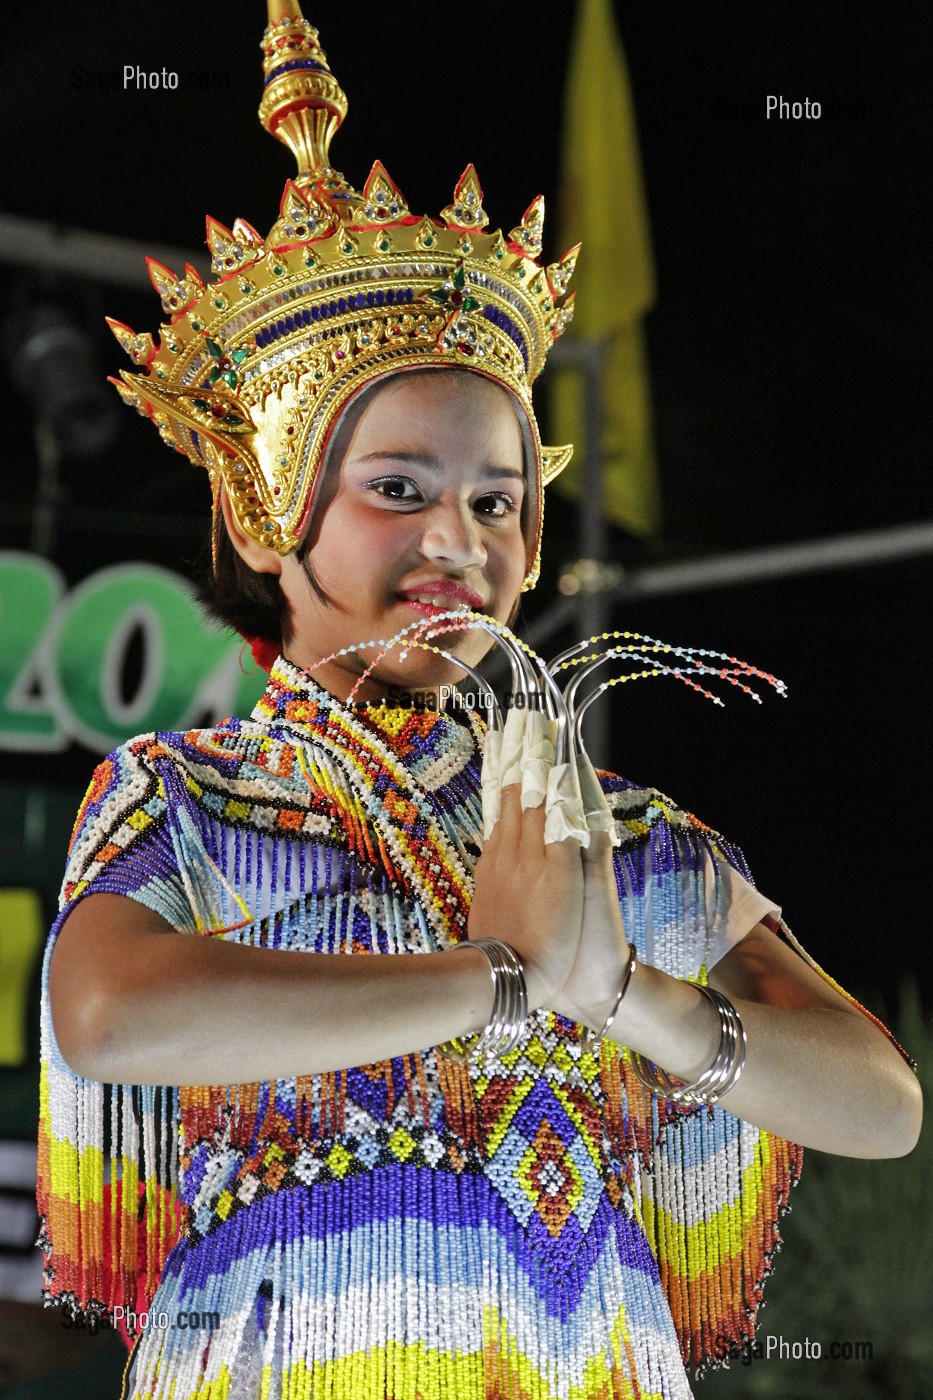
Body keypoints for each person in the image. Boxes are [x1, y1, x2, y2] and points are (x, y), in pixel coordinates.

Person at [38, 6, 921, 1398]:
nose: (458, 539)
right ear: (266, 515)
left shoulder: (622, 837)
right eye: (399, 489)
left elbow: (878, 1104)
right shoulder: (193, 792)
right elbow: (112, 1017)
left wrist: (622, 991)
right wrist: (499, 985)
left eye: (498, 501)